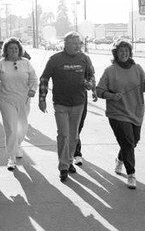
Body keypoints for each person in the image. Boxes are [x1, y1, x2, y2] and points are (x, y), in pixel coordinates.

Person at [96, 39, 145, 189]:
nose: (124, 53)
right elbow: (99, 90)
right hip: (117, 113)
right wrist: (112, 96)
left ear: (130, 53)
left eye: (126, 51)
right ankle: (131, 174)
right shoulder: (110, 71)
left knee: (133, 141)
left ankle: (120, 160)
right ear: (116, 54)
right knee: (127, 142)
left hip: (136, 111)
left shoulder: (137, 68)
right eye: (121, 51)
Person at [38, 31, 95, 182]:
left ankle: (69, 160)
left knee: (73, 135)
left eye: (79, 43)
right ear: (66, 44)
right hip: (61, 103)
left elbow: (90, 75)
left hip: (78, 102)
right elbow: (44, 78)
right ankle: (63, 167)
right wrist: (42, 99)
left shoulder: (84, 58)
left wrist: (90, 84)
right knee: (63, 134)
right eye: (75, 43)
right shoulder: (55, 59)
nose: (78, 46)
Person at [0, 38, 38, 171]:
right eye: (11, 49)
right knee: (11, 128)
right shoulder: (1, 64)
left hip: (23, 100)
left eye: (16, 49)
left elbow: (34, 78)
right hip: (6, 100)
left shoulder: (26, 63)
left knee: (22, 127)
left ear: (20, 50)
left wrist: (33, 89)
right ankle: (11, 157)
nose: (14, 51)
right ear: (6, 50)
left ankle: (17, 146)